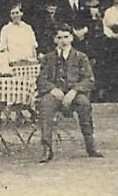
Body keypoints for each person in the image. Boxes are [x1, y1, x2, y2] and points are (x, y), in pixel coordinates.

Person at [36, 26, 101, 162]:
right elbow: (41, 79)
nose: (63, 41)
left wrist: (74, 91)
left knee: (84, 104)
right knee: (45, 105)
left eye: (66, 37)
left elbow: (89, 79)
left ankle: (90, 145)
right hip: (55, 94)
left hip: (75, 94)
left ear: (72, 38)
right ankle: (47, 148)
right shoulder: (48, 58)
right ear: (55, 40)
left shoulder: (80, 57)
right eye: (59, 37)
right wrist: (53, 89)